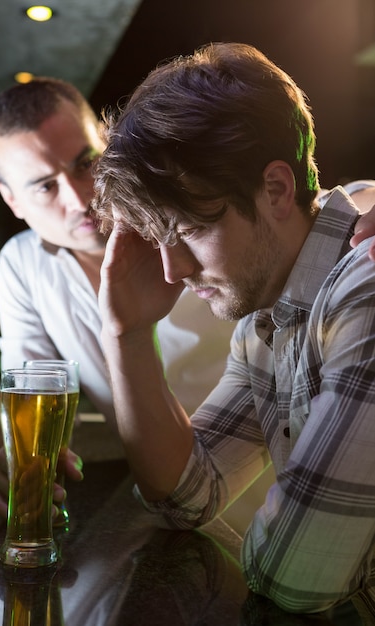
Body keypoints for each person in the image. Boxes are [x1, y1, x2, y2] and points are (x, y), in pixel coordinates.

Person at [91, 42, 375, 617]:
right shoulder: (266, 317)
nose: (173, 271)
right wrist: (124, 332)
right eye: (158, 240)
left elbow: (299, 575)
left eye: (191, 228)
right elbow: (187, 496)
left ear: (275, 189)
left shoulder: (365, 284)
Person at [0, 77, 236, 516]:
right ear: (11, 201)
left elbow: (301, 206)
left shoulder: (183, 207)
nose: (80, 199)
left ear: (107, 143)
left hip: (278, 481)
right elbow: (34, 398)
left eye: (85, 163)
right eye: (44, 186)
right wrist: (26, 454)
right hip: (168, 508)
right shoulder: (23, 266)